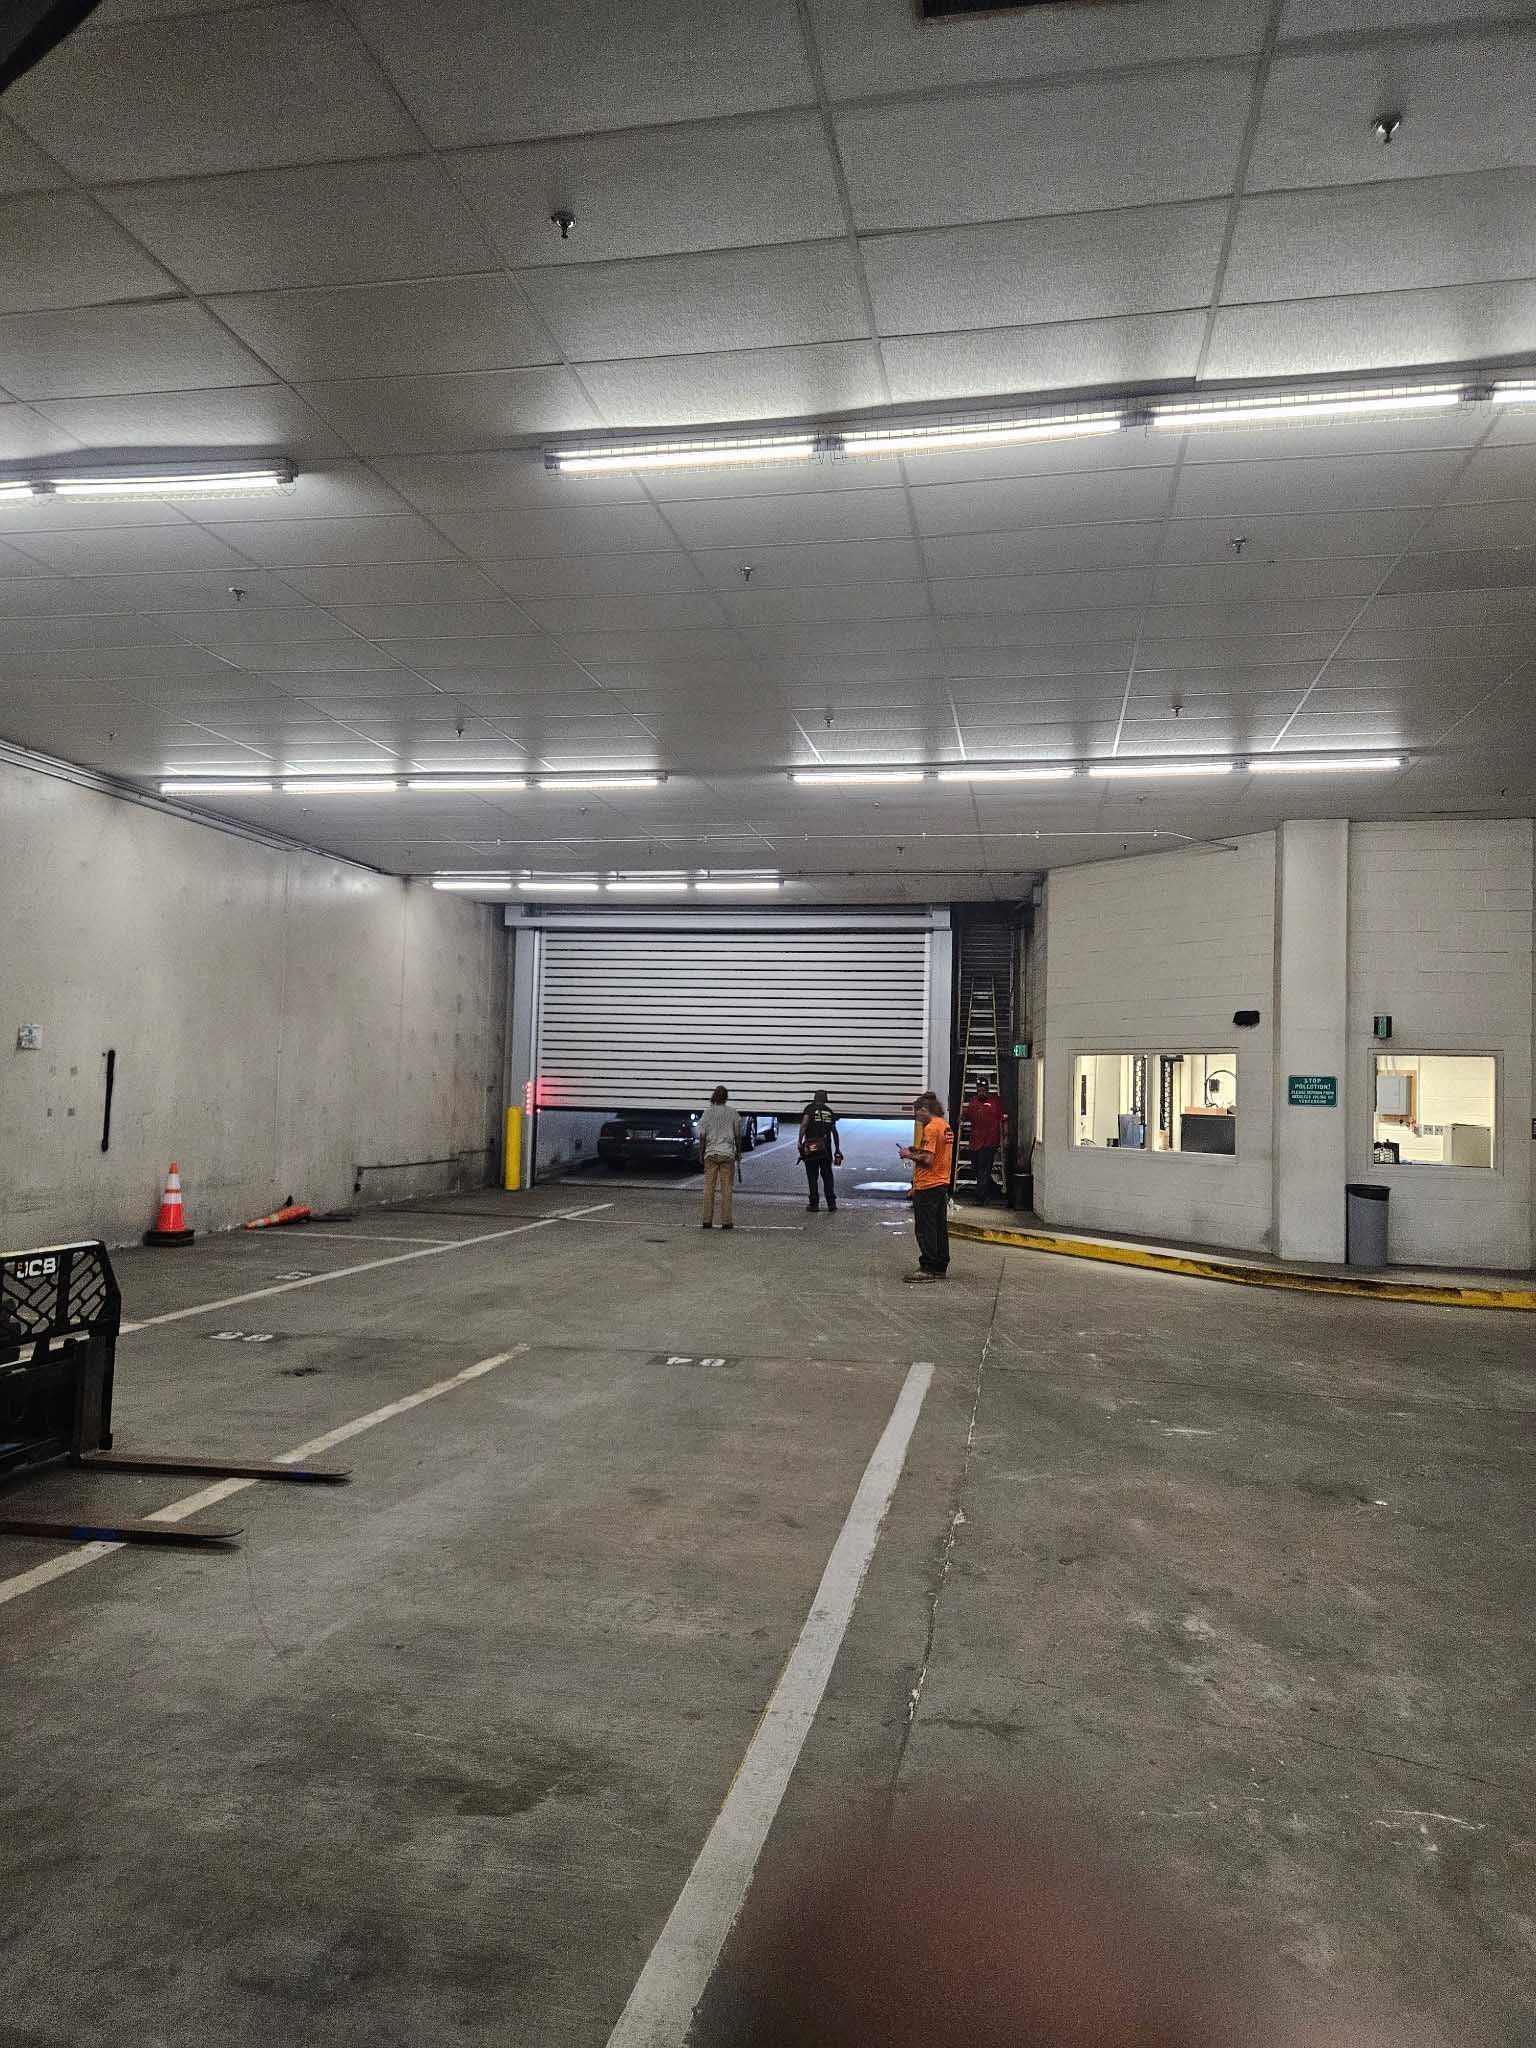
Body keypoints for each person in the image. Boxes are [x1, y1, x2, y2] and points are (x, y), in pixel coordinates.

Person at [899, 1091, 953, 1282]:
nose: (916, 1117)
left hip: (928, 1184)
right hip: (941, 1182)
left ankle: (927, 1267)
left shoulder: (931, 1128)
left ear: (924, 1109)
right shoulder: (945, 1126)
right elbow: (936, 1154)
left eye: (917, 1113)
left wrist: (908, 1154)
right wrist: (918, 1151)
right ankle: (940, 1265)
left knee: (925, 1227)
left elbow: (928, 1159)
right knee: (939, 1227)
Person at [700, 1084, 740, 1230]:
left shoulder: (707, 1113)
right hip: (727, 1154)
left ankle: (706, 1220)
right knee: (726, 1189)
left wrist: (701, 1153)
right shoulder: (733, 1113)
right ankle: (726, 1221)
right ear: (726, 1097)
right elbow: (737, 1136)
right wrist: (739, 1153)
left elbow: (702, 1136)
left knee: (708, 1188)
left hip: (710, 1154)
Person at [798, 1089, 843, 1212]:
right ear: (825, 1099)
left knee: (812, 1176)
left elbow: (804, 1125)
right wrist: (837, 1149)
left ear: (814, 1098)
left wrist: (799, 1141)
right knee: (827, 1176)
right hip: (826, 1150)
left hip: (812, 1149)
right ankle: (831, 1204)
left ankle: (814, 1204)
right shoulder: (829, 1112)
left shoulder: (810, 1109)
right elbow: (834, 1132)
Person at [964, 1077, 1007, 1205]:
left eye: (983, 1090)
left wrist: (1005, 1136)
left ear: (987, 1089)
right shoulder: (973, 1102)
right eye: (979, 1090)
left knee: (984, 1168)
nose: (981, 1092)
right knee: (976, 1167)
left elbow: (1003, 1118)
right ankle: (991, 1189)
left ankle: (981, 1196)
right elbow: (966, 1116)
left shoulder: (995, 1101)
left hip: (990, 1141)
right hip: (975, 1141)